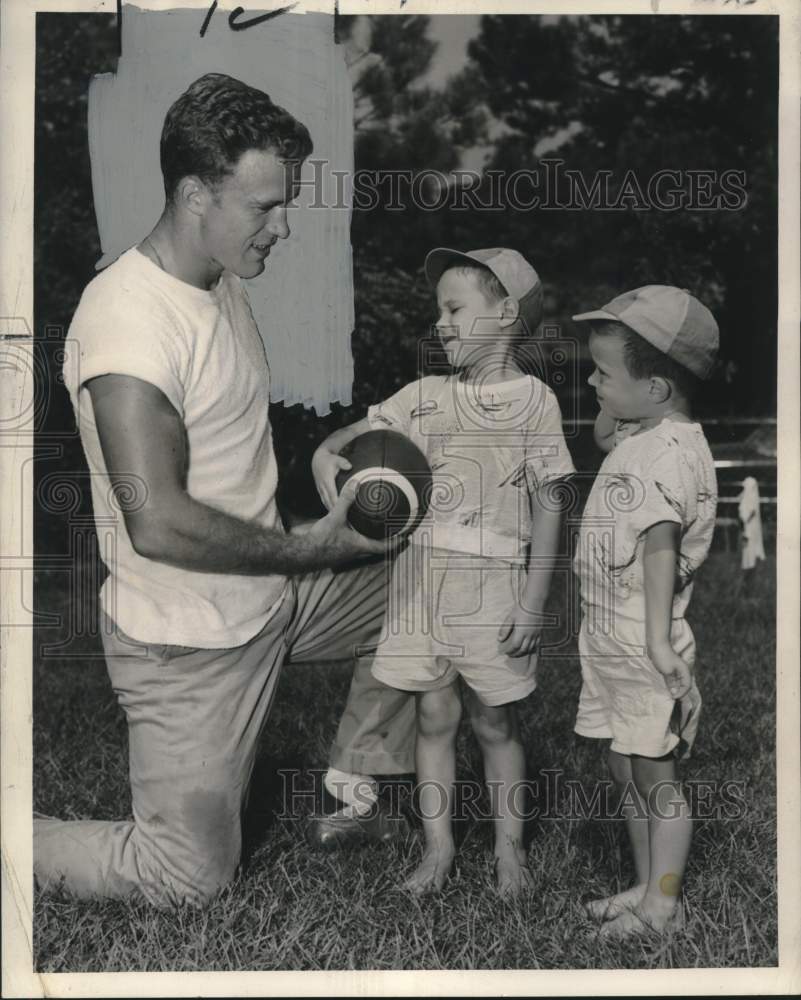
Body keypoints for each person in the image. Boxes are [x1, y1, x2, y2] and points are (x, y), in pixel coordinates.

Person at [34, 73, 417, 907]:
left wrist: (318, 462)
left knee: (445, 579)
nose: (283, 227)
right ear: (193, 192)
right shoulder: (128, 324)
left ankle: (352, 789)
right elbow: (160, 524)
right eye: (265, 207)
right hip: (190, 645)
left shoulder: (220, 281)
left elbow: (228, 452)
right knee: (184, 883)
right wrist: (310, 546)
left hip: (275, 593)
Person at [313, 248, 576, 895]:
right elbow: (367, 429)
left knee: (493, 722)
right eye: (439, 312)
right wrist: (327, 449)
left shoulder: (532, 400)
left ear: (506, 312)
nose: (442, 323)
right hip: (418, 583)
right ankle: (438, 851)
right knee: (434, 718)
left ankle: (509, 851)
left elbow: (550, 504)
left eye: (455, 309)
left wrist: (534, 601)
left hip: (490, 587)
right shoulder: (426, 396)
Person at [571, 285, 719, 938]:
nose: (590, 381)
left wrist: (659, 645)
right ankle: (642, 885)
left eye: (603, 372)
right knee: (624, 765)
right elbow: (608, 434)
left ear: (656, 389)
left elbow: (659, 546)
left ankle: (665, 905)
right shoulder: (652, 432)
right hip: (612, 637)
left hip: (641, 638)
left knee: (658, 782)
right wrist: (615, 401)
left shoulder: (665, 455)